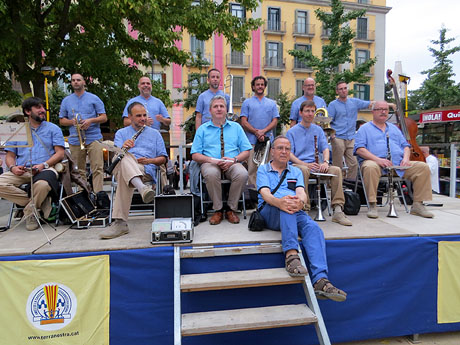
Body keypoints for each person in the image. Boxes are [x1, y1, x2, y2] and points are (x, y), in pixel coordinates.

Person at [257, 135, 347, 302]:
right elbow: (266, 195)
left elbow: (301, 192)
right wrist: (282, 202)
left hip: (292, 210)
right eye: (280, 148)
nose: (284, 152)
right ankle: (291, 255)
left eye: (287, 149)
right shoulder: (263, 170)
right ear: (272, 152)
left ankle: (320, 280)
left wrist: (301, 202)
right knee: (287, 207)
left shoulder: (296, 171)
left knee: (313, 228)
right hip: (270, 211)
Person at [354, 101, 434, 219]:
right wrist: (378, 160)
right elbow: (360, 149)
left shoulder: (394, 129)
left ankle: (418, 205)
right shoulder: (364, 129)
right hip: (376, 163)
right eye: (380, 109)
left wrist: (406, 158)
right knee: (369, 167)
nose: (383, 112)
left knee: (422, 167)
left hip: (397, 163)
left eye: (386, 109)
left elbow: (405, 146)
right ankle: (372, 204)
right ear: (373, 112)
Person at [100, 102, 167, 239]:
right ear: (129, 117)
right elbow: (117, 158)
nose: (143, 118)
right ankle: (142, 189)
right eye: (138, 116)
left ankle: (120, 223)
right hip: (124, 166)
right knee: (123, 157)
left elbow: (163, 159)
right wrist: (124, 147)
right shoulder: (121, 133)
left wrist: (150, 161)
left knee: (124, 170)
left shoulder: (155, 134)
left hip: (145, 168)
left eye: (144, 115)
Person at [0, 97, 65, 230]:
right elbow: (10, 156)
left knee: (42, 185)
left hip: (46, 168)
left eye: (43, 108)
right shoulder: (17, 130)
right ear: (28, 111)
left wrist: (44, 165)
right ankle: (39, 204)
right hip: (23, 170)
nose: (43, 110)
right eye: (38, 108)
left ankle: (30, 212)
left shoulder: (53, 129)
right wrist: (13, 167)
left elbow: (60, 153)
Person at [286, 101, 352, 226]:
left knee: (336, 170)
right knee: (302, 170)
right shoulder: (292, 132)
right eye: (307, 111)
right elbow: (290, 155)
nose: (310, 114)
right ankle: (304, 208)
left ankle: (338, 209)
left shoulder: (318, 130)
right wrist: (305, 164)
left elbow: (325, 148)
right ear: (301, 113)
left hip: (317, 165)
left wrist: (326, 162)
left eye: (312, 111)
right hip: (299, 165)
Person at [191, 95, 252, 225]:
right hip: (210, 163)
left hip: (232, 162)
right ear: (210, 110)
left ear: (226, 110)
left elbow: (247, 150)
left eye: (221, 106)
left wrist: (234, 160)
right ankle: (218, 209)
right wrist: (212, 160)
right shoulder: (202, 129)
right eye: (215, 106)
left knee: (242, 173)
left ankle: (231, 209)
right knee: (211, 173)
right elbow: (195, 154)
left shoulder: (236, 127)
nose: (219, 109)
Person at [59, 73, 107, 193]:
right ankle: (83, 193)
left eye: (78, 80)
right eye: (73, 80)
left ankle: (98, 195)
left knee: (97, 168)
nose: (76, 82)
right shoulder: (66, 101)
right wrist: (71, 122)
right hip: (75, 138)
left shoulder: (94, 98)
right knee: (79, 170)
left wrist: (91, 120)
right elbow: (61, 120)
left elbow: (104, 117)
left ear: (84, 82)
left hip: (93, 137)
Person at [189, 69, 230, 201]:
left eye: (217, 77)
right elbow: (198, 116)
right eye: (212, 77)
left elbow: (228, 116)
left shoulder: (226, 96)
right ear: (208, 80)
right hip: (207, 135)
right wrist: (198, 135)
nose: (215, 79)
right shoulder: (202, 96)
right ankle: (198, 194)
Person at [328, 81, 375, 180]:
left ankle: (350, 186)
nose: (343, 91)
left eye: (345, 88)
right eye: (341, 89)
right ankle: (337, 185)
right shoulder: (333, 105)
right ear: (337, 91)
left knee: (353, 163)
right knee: (338, 165)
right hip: (338, 137)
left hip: (351, 137)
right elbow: (328, 121)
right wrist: (331, 134)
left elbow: (370, 103)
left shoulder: (354, 102)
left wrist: (389, 104)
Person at [240, 75, 279, 188]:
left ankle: (267, 193)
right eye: (257, 84)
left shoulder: (272, 103)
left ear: (265, 86)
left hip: (267, 142)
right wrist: (256, 132)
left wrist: (263, 131)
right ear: (253, 87)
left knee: (267, 169)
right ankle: (254, 196)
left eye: (262, 84)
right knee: (252, 170)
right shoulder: (247, 103)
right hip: (251, 142)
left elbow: (275, 120)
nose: (260, 86)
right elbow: (244, 121)